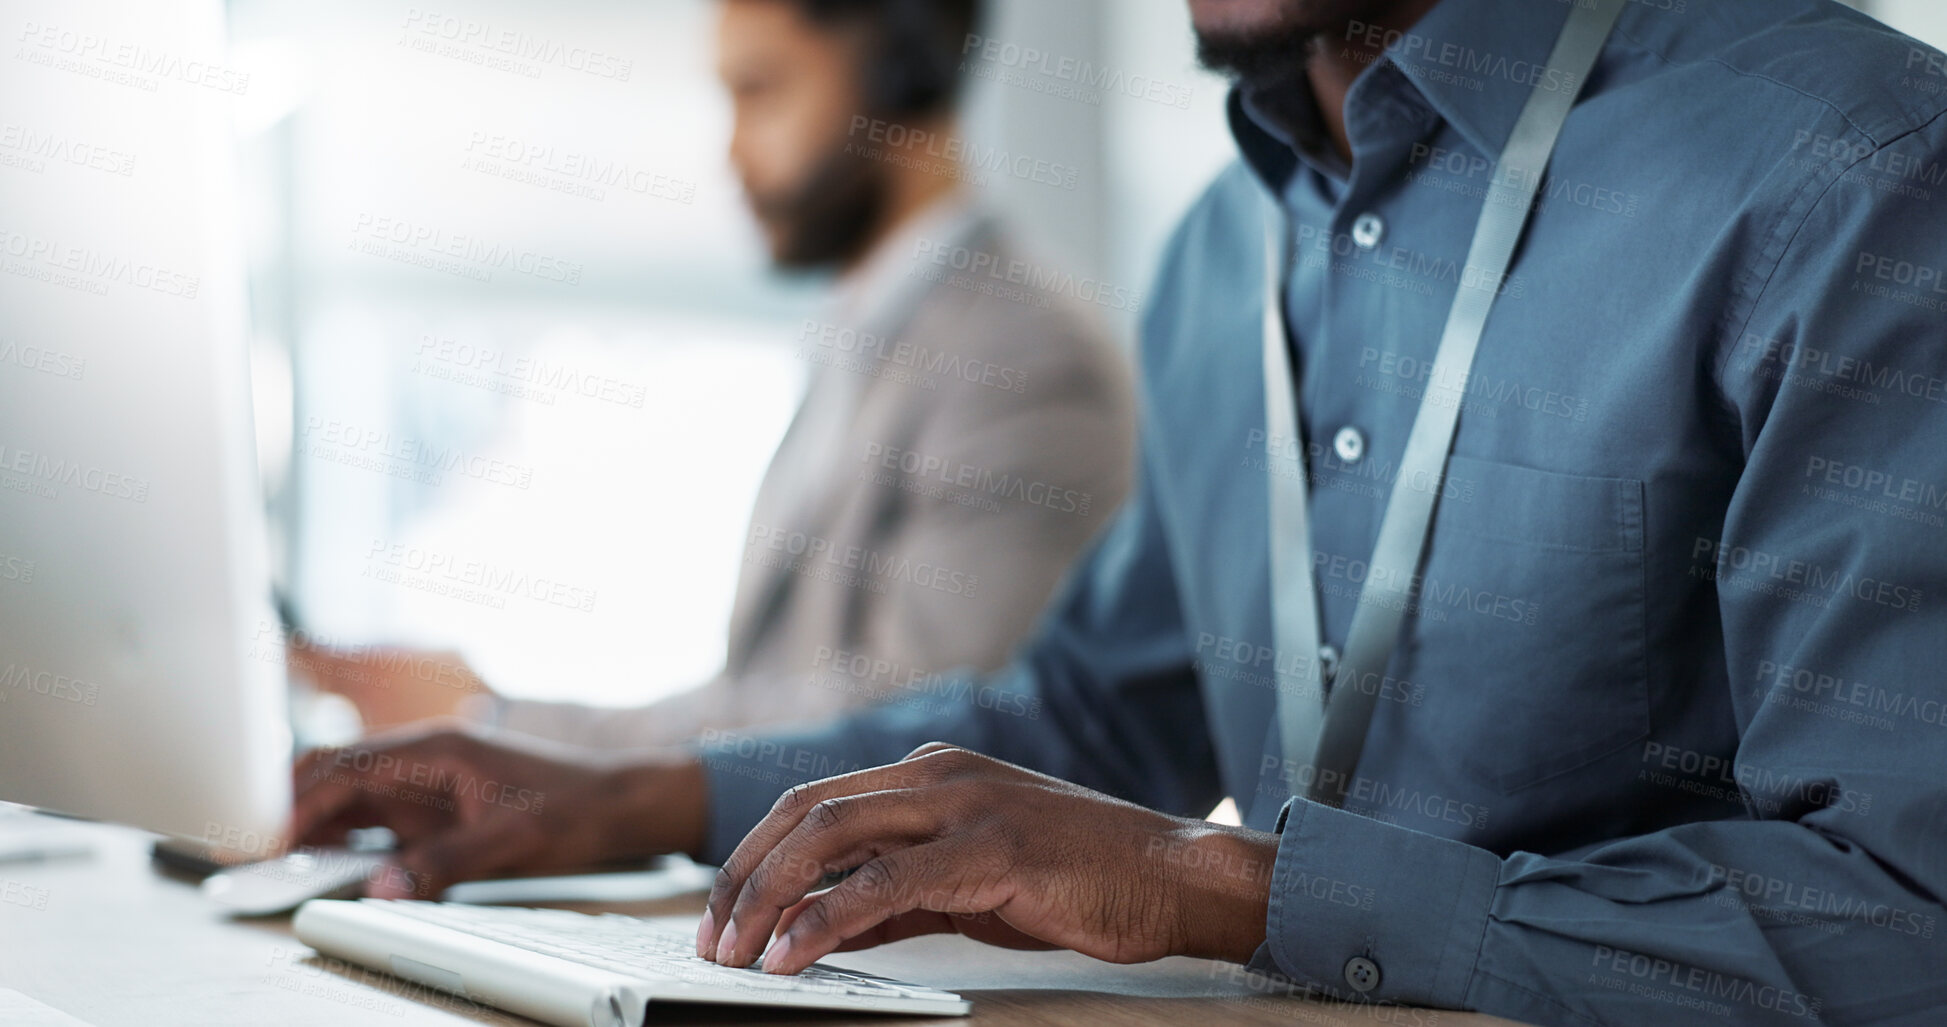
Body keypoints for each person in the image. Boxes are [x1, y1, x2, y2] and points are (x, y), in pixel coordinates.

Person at [291, 0, 1947, 1022]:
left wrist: (1213, 885)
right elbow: (1091, 710)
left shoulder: (1850, 171)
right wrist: (624, 796)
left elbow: (1909, 914)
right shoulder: (1223, 256)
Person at [292, 0, 1136, 748]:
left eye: (760, 90)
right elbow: (786, 690)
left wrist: (500, 726)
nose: (731, 150)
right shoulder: (865, 337)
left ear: (901, 78)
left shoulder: (1023, 358)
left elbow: (911, 733)